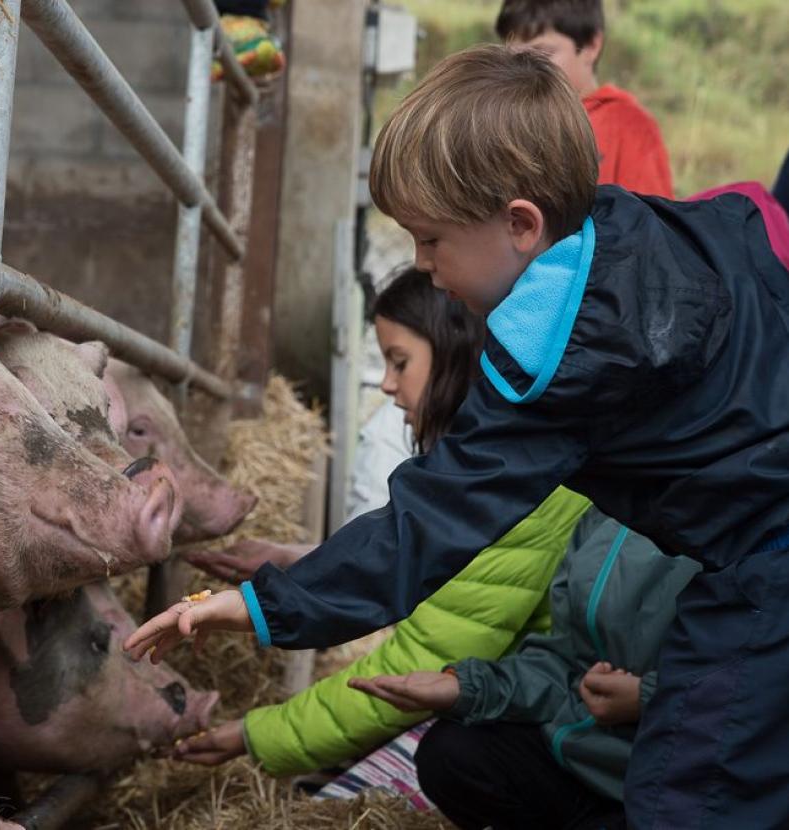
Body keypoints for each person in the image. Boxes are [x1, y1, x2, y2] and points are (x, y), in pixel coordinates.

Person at [125, 44, 789, 827]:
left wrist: (260, 606)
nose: (423, 265)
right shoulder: (646, 232)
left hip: (766, 565)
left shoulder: (557, 365)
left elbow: (426, 529)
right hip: (752, 547)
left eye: (431, 239)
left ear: (520, 225)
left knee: (690, 795)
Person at [176, 269, 590, 780]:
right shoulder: (506, 463)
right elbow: (427, 567)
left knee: (445, 756)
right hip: (554, 687)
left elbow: (423, 655)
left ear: (458, 351)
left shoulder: (512, 486)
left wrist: (256, 734)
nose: (388, 386)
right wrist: (303, 564)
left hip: (574, 714)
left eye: (399, 362)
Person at [354, 510, 699, 830]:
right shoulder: (607, 512)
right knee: (451, 753)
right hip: (586, 754)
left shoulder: (735, 528)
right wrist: (465, 688)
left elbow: (748, 684)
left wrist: (649, 698)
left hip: (679, 784)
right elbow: (567, 657)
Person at [496, 0, 673, 198]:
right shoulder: (501, 120)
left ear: (591, 45)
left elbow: (648, 223)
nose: (525, 68)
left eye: (542, 53)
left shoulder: (630, 127)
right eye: (515, 56)